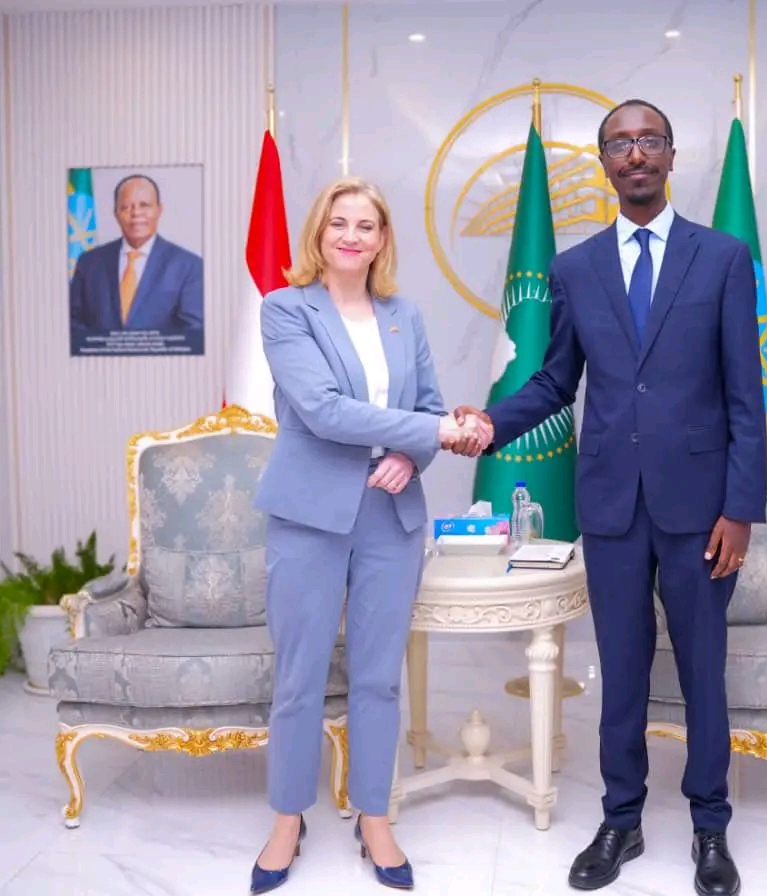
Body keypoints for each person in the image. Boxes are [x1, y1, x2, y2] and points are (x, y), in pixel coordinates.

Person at [452, 99, 767, 896]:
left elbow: (745, 396)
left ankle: (709, 827)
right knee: (621, 674)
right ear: (603, 164)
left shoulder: (723, 258)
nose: (635, 154)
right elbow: (555, 381)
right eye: (620, 144)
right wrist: (490, 423)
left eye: (649, 140)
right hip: (612, 507)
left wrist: (740, 509)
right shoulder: (576, 268)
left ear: (671, 156)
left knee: (702, 674)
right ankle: (621, 820)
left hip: (702, 512)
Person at [249, 176, 480, 894]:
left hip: (391, 516)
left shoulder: (403, 316)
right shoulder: (286, 309)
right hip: (309, 517)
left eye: (367, 225)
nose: (351, 236)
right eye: (339, 222)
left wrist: (414, 454)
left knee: (378, 679)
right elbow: (323, 410)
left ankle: (374, 817)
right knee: (300, 678)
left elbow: (429, 406)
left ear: (382, 241)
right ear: (318, 233)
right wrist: (434, 432)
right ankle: (287, 820)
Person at [69, 173, 204, 351]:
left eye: (144, 205)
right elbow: (73, 323)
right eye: (126, 207)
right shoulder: (89, 263)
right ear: (116, 213)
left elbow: (192, 332)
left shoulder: (189, 265)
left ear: (159, 209)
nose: (136, 213)